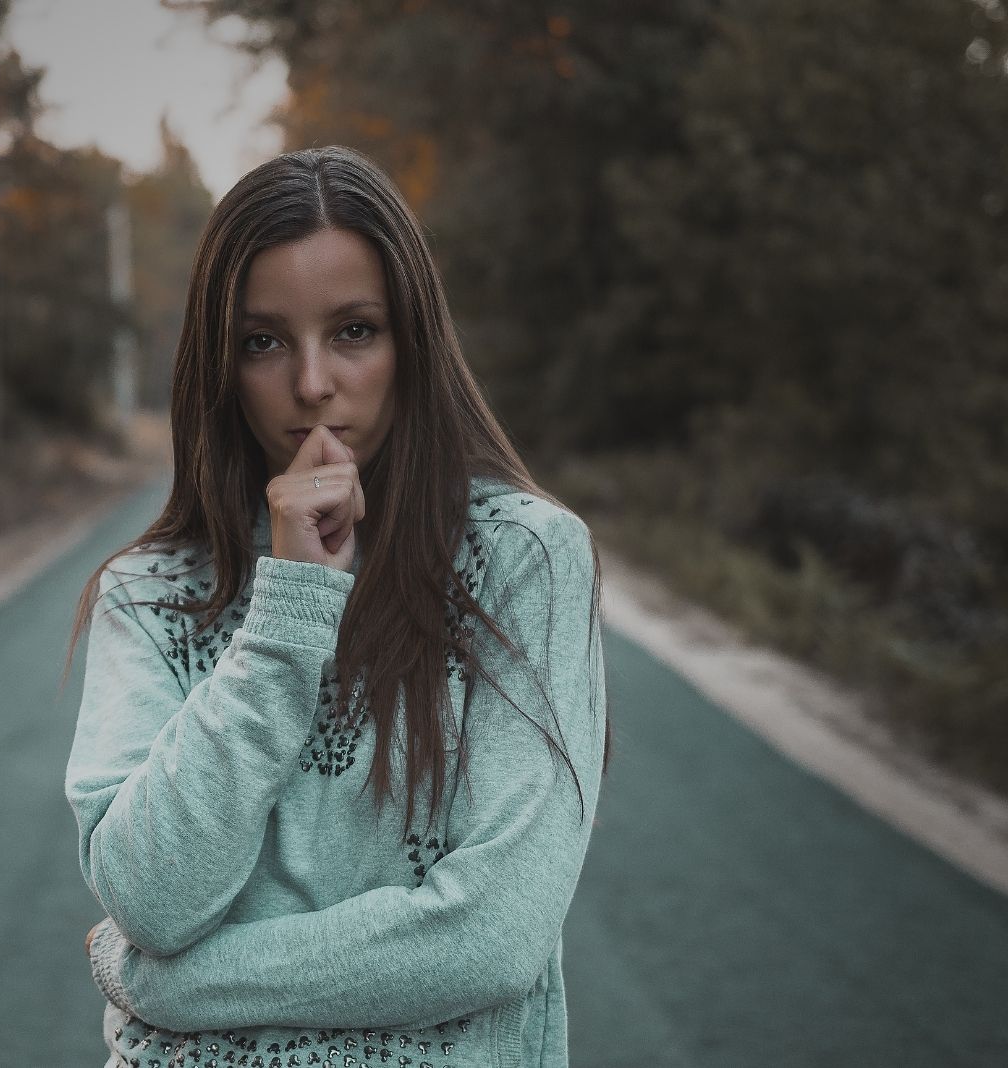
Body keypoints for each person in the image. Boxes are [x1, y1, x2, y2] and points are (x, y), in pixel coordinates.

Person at [61, 144, 610, 1068]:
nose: (313, 384)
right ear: (220, 365)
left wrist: (175, 987)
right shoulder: (151, 592)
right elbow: (152, 897)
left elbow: (492, 937)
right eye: (264, 341)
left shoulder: (527, 557)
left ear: (413, 341)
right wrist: (288, 614)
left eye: (354, 331)